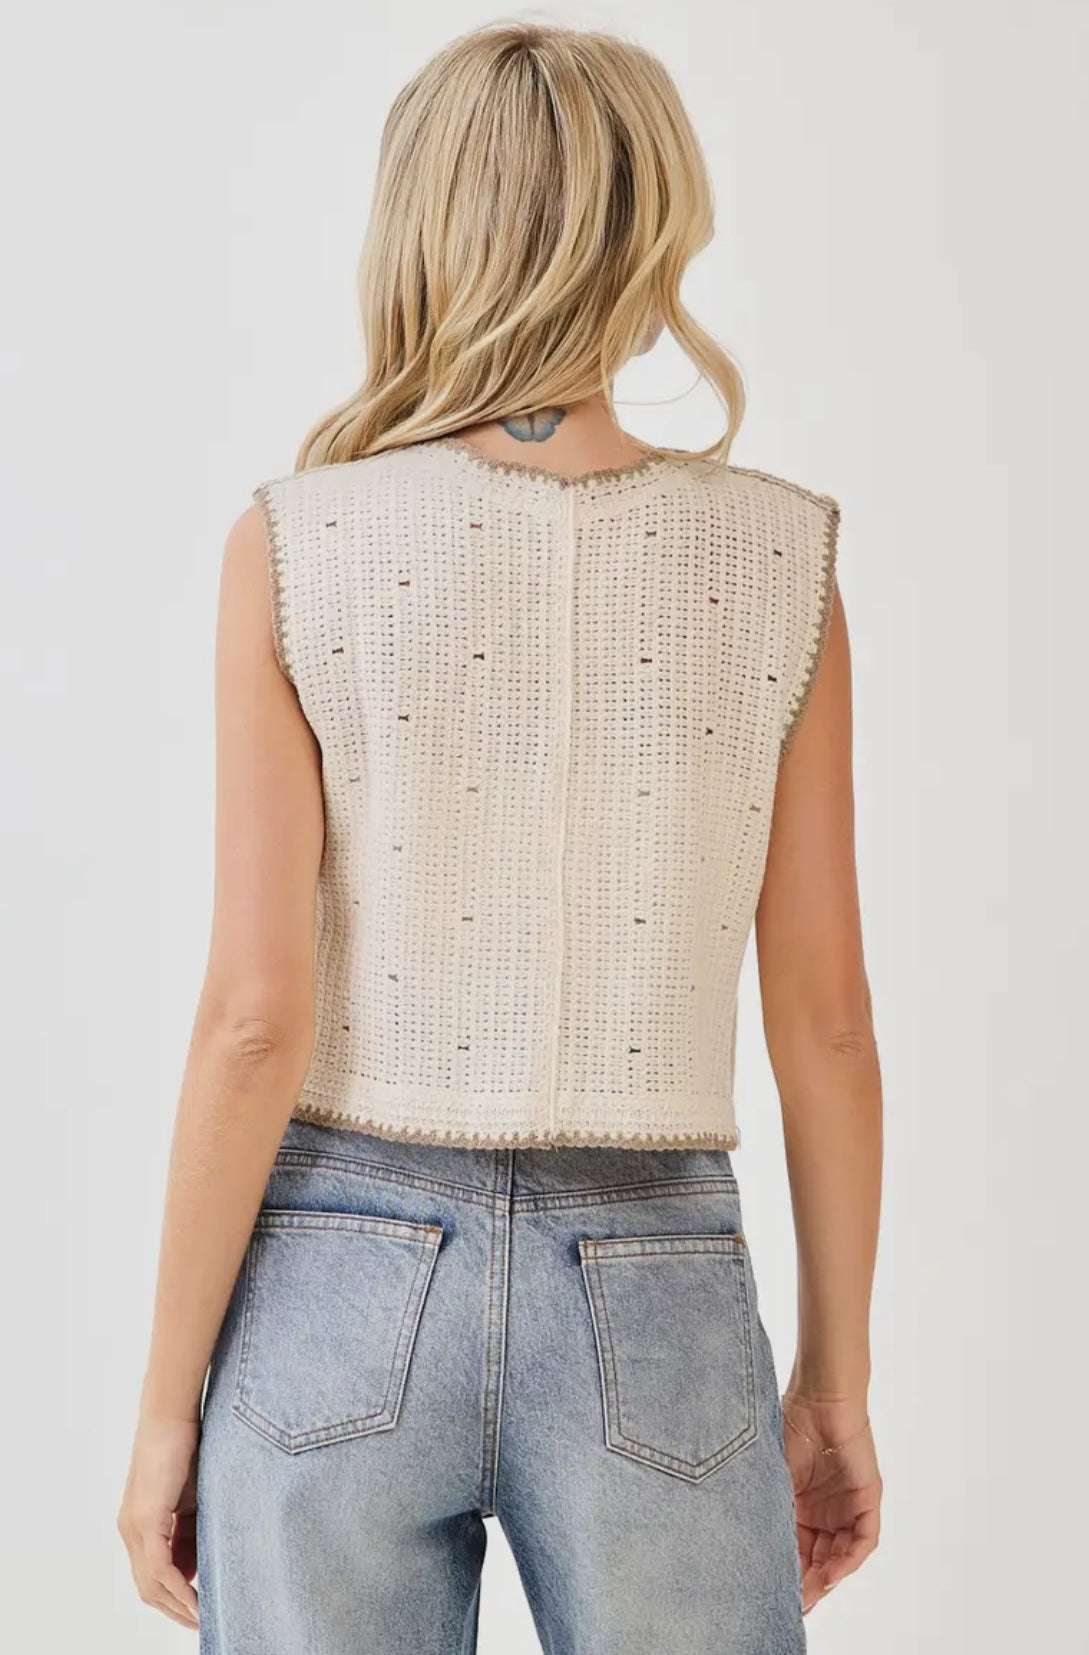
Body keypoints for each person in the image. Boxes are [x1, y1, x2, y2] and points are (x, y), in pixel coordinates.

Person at [117, 20, 883, 1653]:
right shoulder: (779, 565)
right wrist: (834, 1377)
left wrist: (168, 1405)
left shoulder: (298, 545)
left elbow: (254, 1020)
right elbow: (824, 1025)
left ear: (418, 225)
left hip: (336, 1272)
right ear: (658, 224)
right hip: (655, 1273)